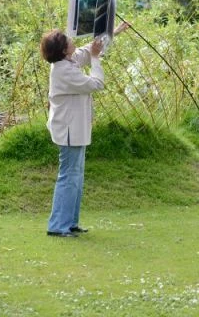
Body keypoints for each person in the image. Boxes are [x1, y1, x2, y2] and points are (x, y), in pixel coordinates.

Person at [41, 22, 129, 238]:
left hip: (74, 128)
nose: (73, 41)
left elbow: (88, 50)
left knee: (76, 177)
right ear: (63, 50)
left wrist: (113, 32)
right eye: (68, 41)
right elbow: (96, 83)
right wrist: (97, 59)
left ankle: (70, 223)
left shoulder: (67, 61)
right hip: (69, 129)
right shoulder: (63, 71)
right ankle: (57, 225)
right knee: (69, 177)